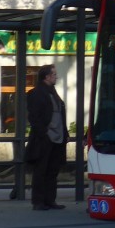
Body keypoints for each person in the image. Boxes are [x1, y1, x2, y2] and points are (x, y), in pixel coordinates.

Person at [26, 65, 67, 210]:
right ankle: (39, 201)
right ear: (47, 76)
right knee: (41, 170)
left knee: (52, 170)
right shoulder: (37, 93)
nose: (56, 77)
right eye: (54, 74)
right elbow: (34, 117)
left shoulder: (52, 93)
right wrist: (44, 132)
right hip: (46, 138)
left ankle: (49, 200)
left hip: (56, 137)